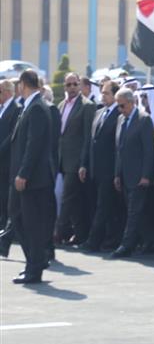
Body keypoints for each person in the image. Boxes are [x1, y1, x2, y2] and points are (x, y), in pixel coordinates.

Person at [9, 70, 55, 284]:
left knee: (31, 224)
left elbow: (33, 146)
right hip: (24, 177)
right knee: (17, 218)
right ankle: (35, 261)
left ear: (24, 84)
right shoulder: (30, 106)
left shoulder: (37, 108)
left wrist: (23, 174)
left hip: (32, 179)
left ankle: (35, 267)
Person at [111, 88, 154, 258]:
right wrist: (117, 174)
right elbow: (119, 149)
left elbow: (149, 151)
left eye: (122, 106)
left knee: (134, 212)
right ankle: (150, 240)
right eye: (118, 107)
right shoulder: (121, 119)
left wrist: (146, 175)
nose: (120, 110)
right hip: (124, 175)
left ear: (131, 102)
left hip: (138, 176)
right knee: (137, 211)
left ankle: (126, 245)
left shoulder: (144, 120)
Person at [79, 80, 121, 252]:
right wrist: (84, 164)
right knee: (97, 205)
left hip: (109, 169)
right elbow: (90, 141)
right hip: (94, 168)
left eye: (107, 93)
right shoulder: (99, 112)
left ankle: (94, 241)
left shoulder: (119, 114)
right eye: (102, 93)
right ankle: (105, 238)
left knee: (104, 206)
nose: (103, 96)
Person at [55, 72, 95, 245]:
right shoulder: (61, 105)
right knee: (75, 200)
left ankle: (57, 233)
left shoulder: (87, 106)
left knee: (67, 196)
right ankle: (80, 233)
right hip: (61, 159)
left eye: (74, 84)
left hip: (76, 161)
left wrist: (83, 163)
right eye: (68, 85)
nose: (71, 88)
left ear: (79, 85)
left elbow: (88, 137)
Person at [0, 80, 21, 257]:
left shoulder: (15, 109)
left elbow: (10, 136)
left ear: (6, 92)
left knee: (8, 200)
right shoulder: (1, 109)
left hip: (7, 162)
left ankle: (7, 235)